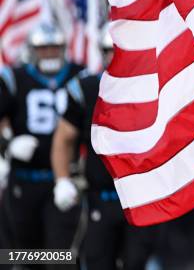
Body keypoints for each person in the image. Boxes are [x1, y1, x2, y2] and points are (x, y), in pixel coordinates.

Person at [51, 27, 159, 270]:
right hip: (102, 196)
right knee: (98, 260)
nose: (116, 57)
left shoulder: (153, 84)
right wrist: (62, 180)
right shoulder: (89, 87)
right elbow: (64, 137)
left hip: (142, 196)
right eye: (110, 51)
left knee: (137, 261)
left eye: (120, 51)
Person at [0, 23, 83, 253]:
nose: (49, 53)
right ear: (32, 50)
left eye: (54, 47)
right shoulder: (16, 78)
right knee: (20, 254)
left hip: (64, 181)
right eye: (43, 48)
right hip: (24, 180)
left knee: (60, 255)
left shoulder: (79, 77)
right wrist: (7, 146)